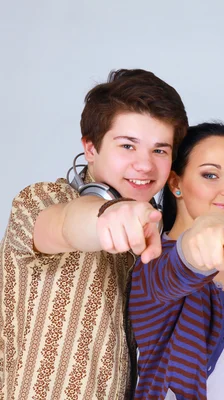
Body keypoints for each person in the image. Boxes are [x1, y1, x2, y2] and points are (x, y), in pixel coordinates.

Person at [0, 69, 188, 399]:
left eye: (159, 150)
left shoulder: (148, 241)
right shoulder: (40, 200)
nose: (144, 165)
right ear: (90, 148)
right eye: (128, 146)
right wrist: (107, 213)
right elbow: (64, 223)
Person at [129, 122, 224, 400]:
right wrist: (200, 236)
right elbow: (179, 269)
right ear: (176, 184)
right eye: (210, 175)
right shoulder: (155, 262)